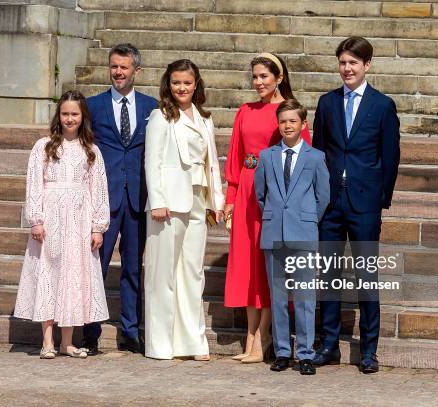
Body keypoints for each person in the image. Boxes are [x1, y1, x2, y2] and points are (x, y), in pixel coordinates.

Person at [312, 36, 400, 373]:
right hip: (331, 203)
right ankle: (329, 344)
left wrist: (381, 199)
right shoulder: (328, 102)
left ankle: (368, 351)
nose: (347, 69)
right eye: (343, 62)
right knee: (329, 275)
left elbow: (390, 156)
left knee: (367, 276)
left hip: (365, 203)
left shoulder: (382, 105)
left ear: (367, 65)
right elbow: (319, 152)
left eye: (353, 63)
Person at [223, 53, 311, 363]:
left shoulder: (288, 111)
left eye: (264, 76)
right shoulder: (244, 110)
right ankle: (251, 335)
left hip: (274, 194)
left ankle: (264, 335)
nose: (258, 82)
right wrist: (230, 200)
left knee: (268, 267)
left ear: (279, 77)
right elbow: (235, 157)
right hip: (246, 190)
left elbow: (303, 157)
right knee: (248, 265)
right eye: (255, 76)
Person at [14, 90, 110, 359]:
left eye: (75, 114)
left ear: (83, 117)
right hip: (51, 218)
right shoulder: (44, 147)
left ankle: (68, 341)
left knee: (73, 275)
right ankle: (47, 340)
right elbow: (34, 185)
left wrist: (97, 226)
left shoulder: (91, 151)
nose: (70, 118)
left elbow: (99, 189)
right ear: (59, 115)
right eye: (65, 113)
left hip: (79, 221)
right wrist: (36, 219)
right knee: (49, 271)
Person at [143, 59, 225, 360]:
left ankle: (191, 342)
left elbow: (212, 162)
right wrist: (158, 200)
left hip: (197, 199)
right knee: (162, 272)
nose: (181, 88)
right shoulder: (161, 116)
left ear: (196, 84)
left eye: (187, 83)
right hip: (168, 203)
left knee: (191, 273)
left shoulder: (205, 118)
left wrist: (216, 200)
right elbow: (152, 161)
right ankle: (160, 343)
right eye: (176, 82)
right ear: (169, 84)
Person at [84, 43, 159, 355]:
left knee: (132, 268)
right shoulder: (93, 105)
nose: (118, 72)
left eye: (124, 67)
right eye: (114, 66)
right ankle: (90, 331)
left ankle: (131, 331)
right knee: (96, 267)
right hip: (104, 198)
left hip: (138, 199)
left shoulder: (151, 107)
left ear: (136, 71)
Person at [255, 99, 330, 375]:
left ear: (303, 124)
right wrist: (278, 217)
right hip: (274, 234)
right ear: (278, 124)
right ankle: (282, 351)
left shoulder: (316, 158)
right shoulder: (266, 157)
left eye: (293, 121)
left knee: (305, 297)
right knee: (278, 297)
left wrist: (305, 219)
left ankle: (307, 354)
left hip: (304, 233)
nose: (287, 125)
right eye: (283, 121)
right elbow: (260, 195)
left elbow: (323, 197)